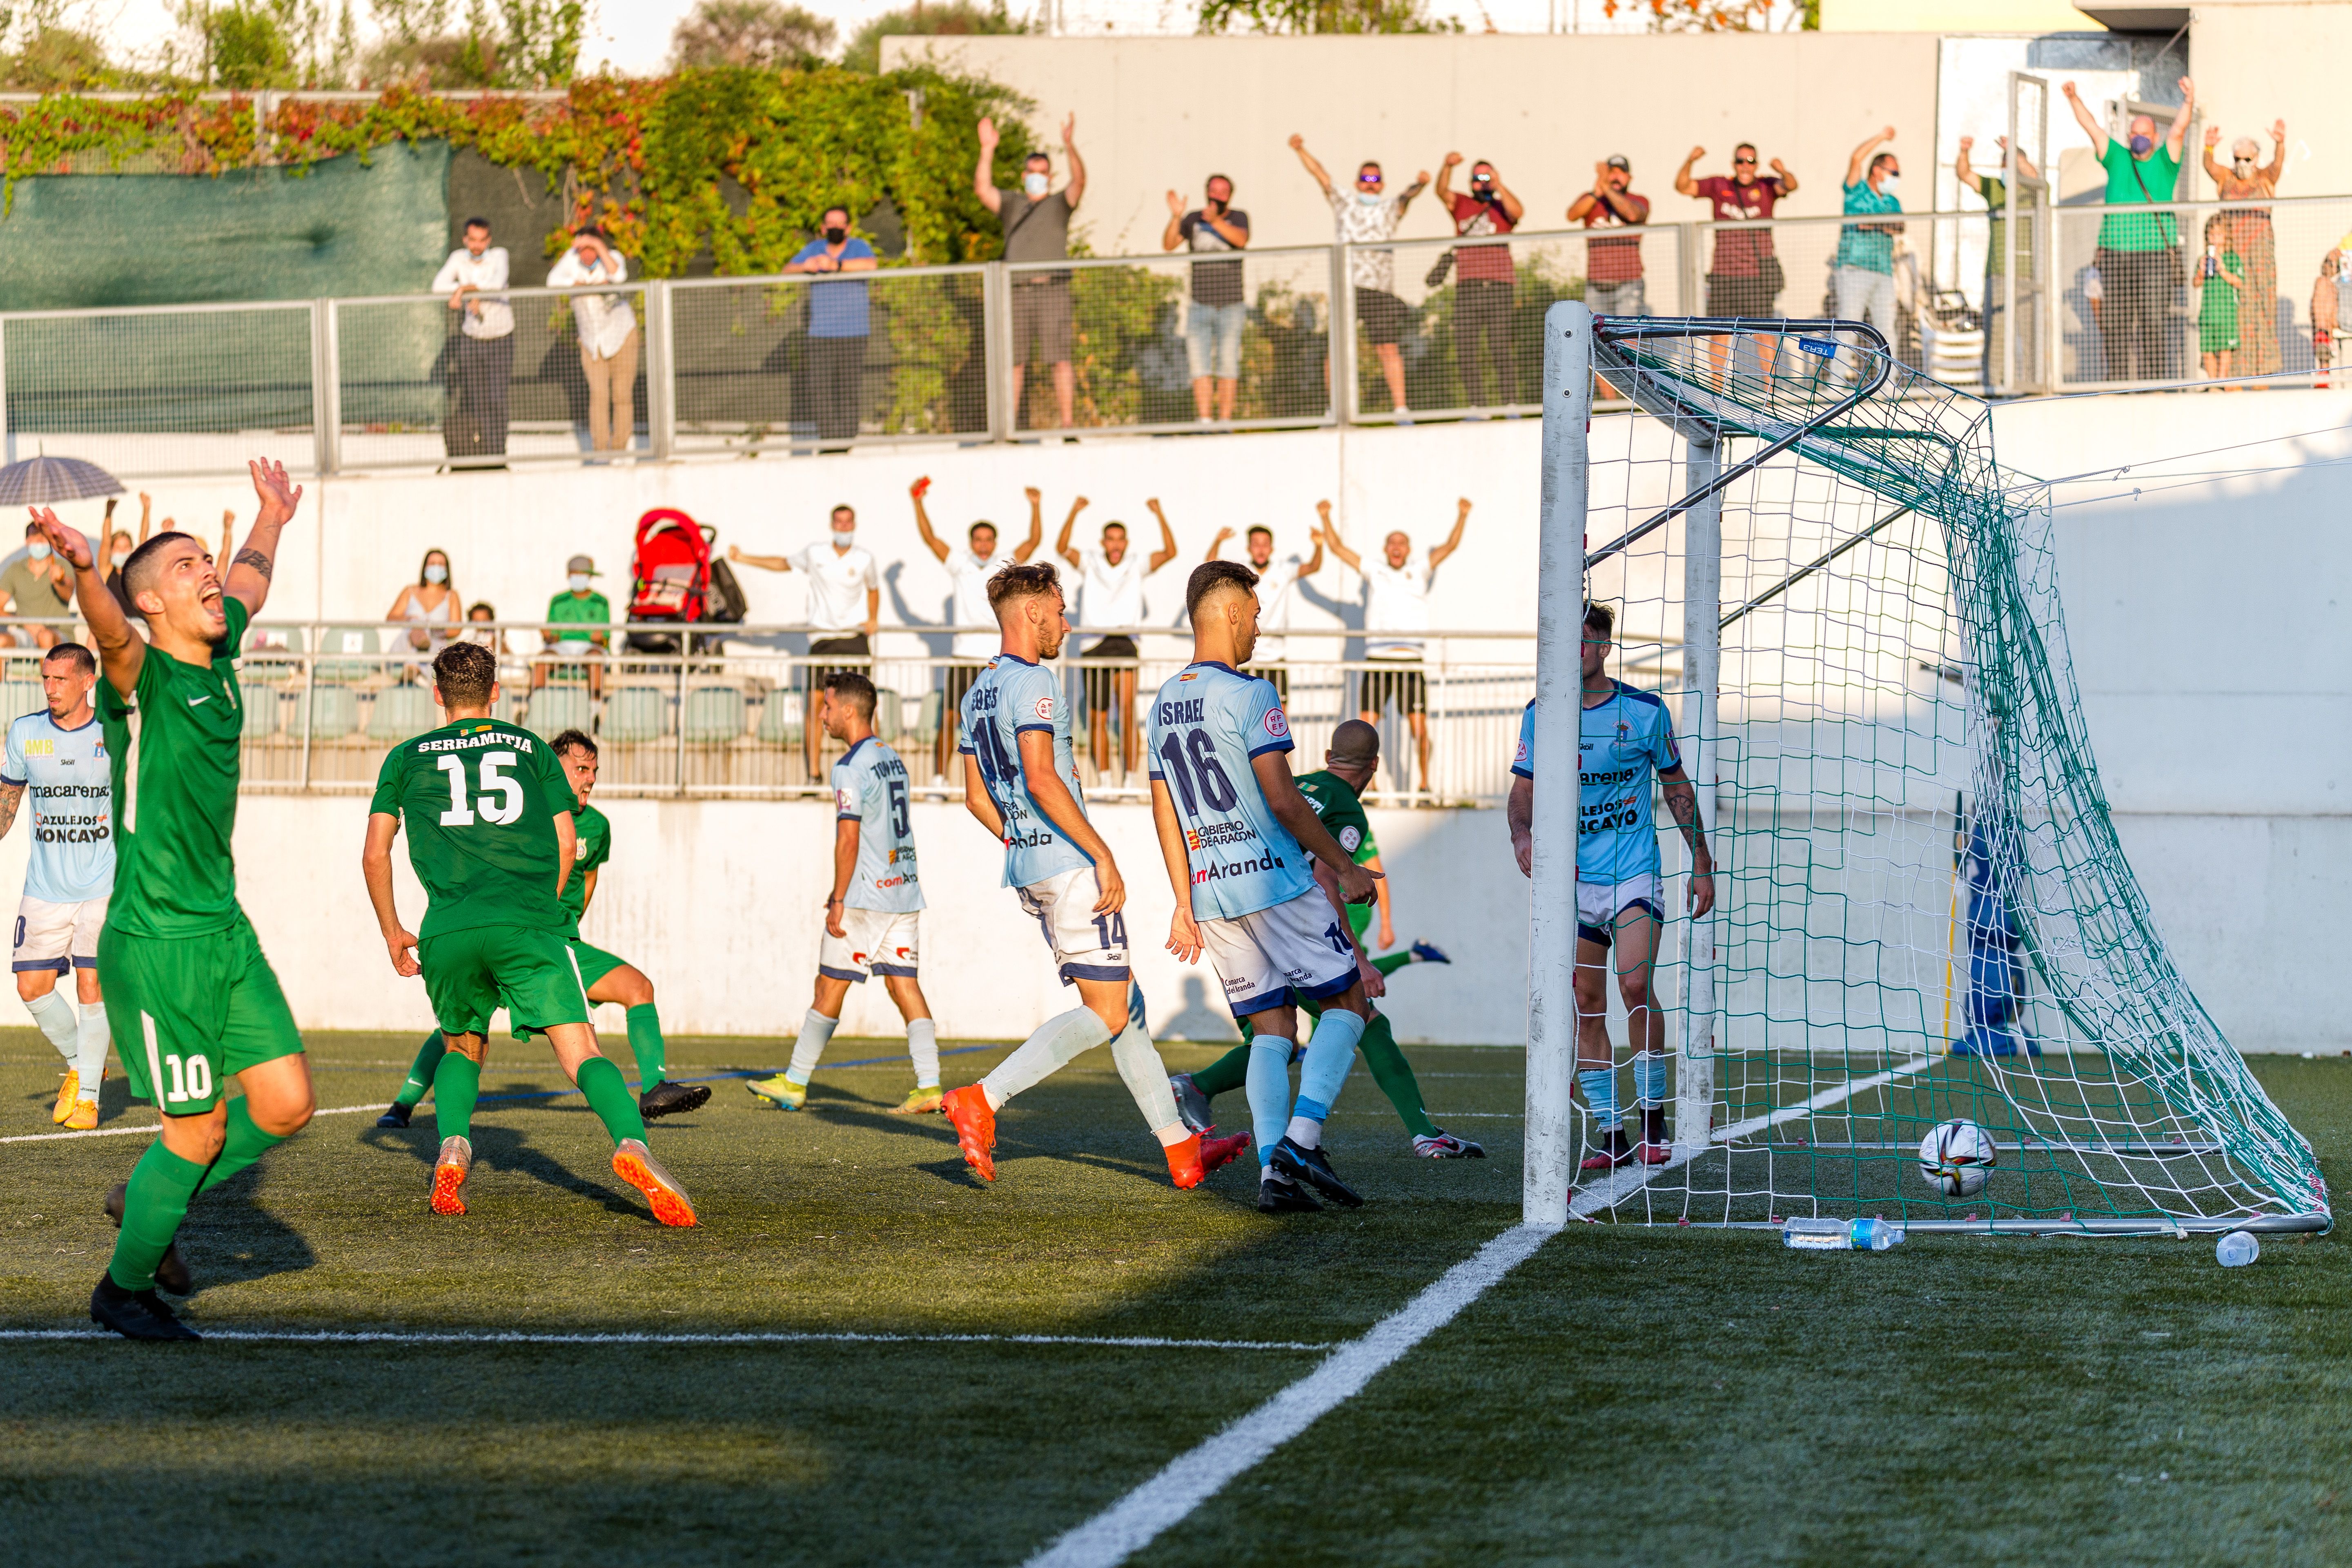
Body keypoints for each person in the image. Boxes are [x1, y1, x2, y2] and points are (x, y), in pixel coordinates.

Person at [35, 457, 314, 1341]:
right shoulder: (144, 673)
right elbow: (112, 634)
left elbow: (249, 583)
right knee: (194, 1134)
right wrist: (86, 568)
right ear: (153, 603)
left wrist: (271, 516)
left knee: (284, 1106)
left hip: (223, 929)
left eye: (207, 562)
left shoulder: (220, 644)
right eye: (188, 567)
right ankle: (123, 1292)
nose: (211, 573)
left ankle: (151, 1191)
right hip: (154, 941)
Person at [363, 645, 696, 1226]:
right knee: (581, 1052)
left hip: (447, 927)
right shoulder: (530, 748)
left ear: (437, 695)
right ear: (498, 693)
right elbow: (568, 844)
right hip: (528, 923)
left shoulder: (403, 758)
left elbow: (374, 854)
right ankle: (632, 1145)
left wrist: (393, 932)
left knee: (462, 1045)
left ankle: (452, 1149)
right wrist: (545, 910)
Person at [939, 561, 1245, 1190]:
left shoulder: (975, 692)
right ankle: (983, 1099)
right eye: (1059, 609)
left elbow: (975, 798)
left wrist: (1022, 835)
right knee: (1108, 1013)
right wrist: (1099, 853)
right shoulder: (1034, 681)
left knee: (1125, 1006)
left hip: (1029, 866)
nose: (1066, 622)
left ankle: (1181, 1149)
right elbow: (1041, 775)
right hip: (1070, 865)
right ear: (1032, 612)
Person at [1147, 559, 1382, 1213]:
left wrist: (1182, 899)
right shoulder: (1252, 696)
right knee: (1349, 1006)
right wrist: (1344, 866)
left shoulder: (1164, 702)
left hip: (1214, 894)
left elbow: (1164, 809)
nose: (1258, 624)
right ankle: (1299, 1143)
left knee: (1273, 1029)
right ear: (1227, 613)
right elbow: (1282, 799)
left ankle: (1272, 1176)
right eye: (1253, 612)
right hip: (1275, 882)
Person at [373, 724, 710, 1130]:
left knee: (637, 989)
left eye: (594, 770)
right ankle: (404, 1103)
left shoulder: (598, 827)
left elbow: (586, 883)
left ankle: (654, 1087)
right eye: (581, 768)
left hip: (552, 941)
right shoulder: (529, 813)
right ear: (552, 765)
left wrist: (563, 929)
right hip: (527, 935)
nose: (589, 778)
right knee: (470, 1033)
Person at [1167, 720, 1472, 1161]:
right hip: (1289, 921)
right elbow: (1327, 876)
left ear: (1329, 758)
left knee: (1277, 1038)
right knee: (1362, 1017)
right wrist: (1359, 959)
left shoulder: (1292, 783)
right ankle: (1401, 1134)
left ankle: (1217, 1105)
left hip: (1231, 905)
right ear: (1375, 766)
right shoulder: (1347, 806)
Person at [1511, 602, 1715, 1170]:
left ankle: (1654, 1120)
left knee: (1633, 984)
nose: (1569, 653)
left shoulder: (1645, 711)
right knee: (1584, 1001)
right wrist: (1521, 834)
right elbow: (1523, 789)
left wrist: (1700, 860)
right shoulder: (1542, 713)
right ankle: (1612, 1133)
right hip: (1573, 882)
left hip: (1633, 874)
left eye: (1580, 642)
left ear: (1603, 645)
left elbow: (1677, 785)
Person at [747, 672, 941, 1114]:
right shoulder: (892, 757)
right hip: (905, 892)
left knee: (829, 985)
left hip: (865, 898)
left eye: (828, 707)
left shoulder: (849, 767)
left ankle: (794, 1082)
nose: (822, 715)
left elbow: (849, 839)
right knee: (904, 985)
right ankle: (930, 1084)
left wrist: (838, 898)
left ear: (849, 711)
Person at [0, 641, 113, 1131]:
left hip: (102, 883)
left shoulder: (114, 733)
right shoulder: (26, 733)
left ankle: (88, 1098)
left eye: (61, 680)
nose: (50, 688)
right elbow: (7, 802)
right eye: (45, 679)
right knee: (32, 987)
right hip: (44, 885)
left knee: (92, 983)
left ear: (88, 681)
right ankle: (83, 1060)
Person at [1314, 499, 1472, 797]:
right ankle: (1366, 787)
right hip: (1377, 661)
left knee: (1420, 730)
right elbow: (1338, 549)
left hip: (1410, 661)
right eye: (1392, 544)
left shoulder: (1420, 570)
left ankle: (1424, 785)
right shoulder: (1374, 571)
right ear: (1386, 549)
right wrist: (1325, 517)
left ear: (1408, 550)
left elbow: (1449, 547)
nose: (1396, 548)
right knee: (1364, 729)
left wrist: (1462, 515)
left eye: (1401, 544)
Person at [728, 504, 880, 781]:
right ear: (832, 525)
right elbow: (782, 563)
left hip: (854, 639)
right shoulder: (815, 553)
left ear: (854, 525)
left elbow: (873, 588)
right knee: (818, 706)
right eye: (839, 522)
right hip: (823, 640)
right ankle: (814, 774)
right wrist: (743, 558)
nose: (844, 527)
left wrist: (873, 618)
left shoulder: (865, 559)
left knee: (865, 704)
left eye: (848, 523)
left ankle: (875, 768)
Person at [2063, 76, 2195, 384]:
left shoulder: (2166, 161)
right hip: (2115, 254)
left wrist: (2188, 100)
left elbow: (2179, 130)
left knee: (2153, 320)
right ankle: (2118, 381)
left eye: (2144, 134)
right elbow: (2092, 127)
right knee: (2116, 321)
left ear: (2155, 137)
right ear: (2128, 135)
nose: (2139, 138)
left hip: (2155, 255)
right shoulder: (2117, 158)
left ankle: (2154, 382)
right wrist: (2073, 98)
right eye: (2134, 133)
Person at [910, 475, 1042, 782]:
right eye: (978, 540)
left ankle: (1000, 779)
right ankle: (938, 779)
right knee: (949, 718)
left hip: (995, 660)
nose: (983, 546)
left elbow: (1033, 542)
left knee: (998, 721)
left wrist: (1036, 507)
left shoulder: (1004, 564)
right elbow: (931, 539)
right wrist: (917, 501)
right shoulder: (960, 563)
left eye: (988, 540)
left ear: (995, 543)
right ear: (971, 542)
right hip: (963, 657)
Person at [1290, 134, 1428, 421]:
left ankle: (1401, 409)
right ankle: (1334, 409)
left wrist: (1421, 185)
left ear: (1382, 184)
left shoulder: (1388, 209)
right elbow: (1321, 176)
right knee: (1336, 350)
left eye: (1375, 179)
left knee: (1387, 348)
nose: (1370, 183)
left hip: (1380, 289)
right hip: (1348, 287)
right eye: (1365, 178)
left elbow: (1407, 196)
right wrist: (1301, 149)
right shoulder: (1346, 203)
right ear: (1357, 183)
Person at [1055, 494, 1178, 778]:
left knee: (1126, 711)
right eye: (1110, 539)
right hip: (1093, 644)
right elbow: (1062, 548)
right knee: (1098, 715)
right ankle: (1107, 779)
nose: (1115, 544)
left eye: (1120, 539)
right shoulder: (1090, 561)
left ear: (1126, 543)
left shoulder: (1136, 564)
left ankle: (1131, 779)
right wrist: (1074, 511)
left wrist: (1159, 513)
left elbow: (1170, 552)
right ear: (1103, 542)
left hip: (1125, 642)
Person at [977, 113, 1086, 432]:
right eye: (1032, 172)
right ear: (1024, 175)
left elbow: (1080, 183)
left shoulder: (1059, 204)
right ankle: (1009, 427)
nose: (1037, 177)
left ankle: (1068, 425)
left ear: (1050, 176)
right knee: (1014, 361)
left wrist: (1069, 145)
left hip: (1053, 289)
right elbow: (983, 190)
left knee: (1060, 359)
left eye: (1043, 172)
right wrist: (987, 149)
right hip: (1017, 291)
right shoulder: (1012, 203)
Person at [1675, 142, 1797, 378]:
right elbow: (1683, 186)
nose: (1745, 166)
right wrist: (1690, 160)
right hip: (1724, 273)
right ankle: (1717, 388)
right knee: (1721, 333)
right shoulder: (1720, 184)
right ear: (1734, 164)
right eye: (1741, 161)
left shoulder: (1766, 186)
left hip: (1757, 276)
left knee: (1764, 333)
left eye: (1750, 161)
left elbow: (1791, 185)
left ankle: (1768, 392)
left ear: (1756, 165)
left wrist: (1782, 170)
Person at [1434, 152, 1523, 410]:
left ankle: (1510, 404)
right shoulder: (1462, 204)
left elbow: (1518, 212)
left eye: (1486, 177)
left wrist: (1499, 186)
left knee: (1499, 345)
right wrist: (1447, 166)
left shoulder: (1501, 207)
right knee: (1466, 347)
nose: (1482, 182)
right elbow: (1441, 191)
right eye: (1478, 178)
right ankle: (1477, 406)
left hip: (1500, 285)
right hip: (1468, 285)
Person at [1953, 135, 2043, 390]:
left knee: (2029, 332)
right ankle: (1993, 385)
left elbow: (2035, 176)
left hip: (2028, 275)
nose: (2006, 170)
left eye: (2011, 165)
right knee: (1996, 332)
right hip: (1998, 272)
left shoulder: (2033, 191)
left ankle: (2029, 385)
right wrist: (1964, 152)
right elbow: (1965, 174)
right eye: (2003, 165)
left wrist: (2014, 151)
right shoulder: (1994, 187)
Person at [786, 205, 878, 451]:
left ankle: (846, 444)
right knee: (821, 391)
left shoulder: (859, 247)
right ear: (823, 228)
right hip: (821, 334)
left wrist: (836, 266)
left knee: (848, 389)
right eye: (830, 224)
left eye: (840, 224)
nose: (834, 228)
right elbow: (788, 269)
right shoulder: (814, 249)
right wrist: (806, 266)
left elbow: (871, 266)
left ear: (848, 228)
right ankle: (830, 444)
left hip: (854, 333)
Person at [1203, 514, 1322, 702]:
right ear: (1249, 548)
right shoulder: (1241, 572)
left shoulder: (1283, 570)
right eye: (1256, 544)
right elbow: (1211, 565)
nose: (1261, 549)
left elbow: (1313, 567)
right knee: (1244, 712)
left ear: (1272, 548)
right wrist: (1218, 541)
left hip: (1275, 657)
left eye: (1265, 544)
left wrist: (1319, 545)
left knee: (1280, 713)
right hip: (1246, 656)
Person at [1161, 176, 1252, 423]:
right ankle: (1205, 422)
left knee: (1228, 363)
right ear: (1206, 192)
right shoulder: (1193, 219)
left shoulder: (1239, 217)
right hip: (1200, 303)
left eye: (1223, 191)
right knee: (1199, 365)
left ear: (1230, 195)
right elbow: (1169, 245)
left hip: (1231, 304)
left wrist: (1216, 222)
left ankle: (1224, 423)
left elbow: (1241, 241)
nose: (1217, 195)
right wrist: (1177, 216)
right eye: (1213, 190)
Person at [2203, 119, 2287, 380]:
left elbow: (2277, 165)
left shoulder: (2265, 179)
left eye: (2247, 159)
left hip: (2260, 260)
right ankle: (2229, 379)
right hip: (2232, 259)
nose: (2243, 164)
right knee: (2232, 315)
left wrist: (2280, 143)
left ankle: (2262, 377)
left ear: (2256, 158)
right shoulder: (2227, 179)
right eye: (2238, 158)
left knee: (2262, 314)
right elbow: (2210, 167)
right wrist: (2208, 148)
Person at [547, 227, 638, 455]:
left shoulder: (612, 257)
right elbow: (552, 282)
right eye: (582, 248)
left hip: (621, 335)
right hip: (591, 341)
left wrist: (599, 247)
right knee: (598, 395)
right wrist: (579, 281)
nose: (586, 253)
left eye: (591, 247)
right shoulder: (572, 260)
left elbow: (618, 277)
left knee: (622, 395)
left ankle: (619, 449)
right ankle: (601, 452)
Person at [432, 216, 515, 463]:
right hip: (472, 337)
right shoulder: (458, 258)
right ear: (465, 240)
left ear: (489, 240)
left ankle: (498, 455)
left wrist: (464, 290)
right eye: (472, 240)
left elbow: (496, 283)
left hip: (500, 336)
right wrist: (469, 290)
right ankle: (483, 455)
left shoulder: (500, 255)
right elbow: (439, 286)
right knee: (477, 399)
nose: (477, 246)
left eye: (482, 240)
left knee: (497, 398)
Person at [1833, 127, 1904, 377]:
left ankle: (1889, 386)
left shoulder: (1892, 202)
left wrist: (1873, 223)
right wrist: (1881, 138)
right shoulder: (1857, 190)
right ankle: (1836, 384)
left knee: (1887, 329)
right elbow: (1856, 158)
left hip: (1883, 270)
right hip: (1855, 267)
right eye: (1894, 172)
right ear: (1878, 170)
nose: (1897, 177)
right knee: (1848, 326)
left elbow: (1899, 226)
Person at [1567, 156, 1652, 320]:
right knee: (1597, 338)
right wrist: (1597, 192)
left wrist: (1606, 187)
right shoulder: (1592, 200)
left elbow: (1633, 215)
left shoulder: (1639, 201)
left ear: (1630, 178)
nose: (1616, 177)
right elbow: (1572, 215)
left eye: (1621, 173)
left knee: (1628, 337)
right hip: (1596, 286)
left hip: (1629, 283)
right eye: (1612, 172)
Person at [539, 553, 609, 699]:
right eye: (575, 574)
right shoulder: (558, 601)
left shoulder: (601, 602)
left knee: (595, 660)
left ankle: (595, 711)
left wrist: (599, 639)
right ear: (568, 575)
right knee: (542, 661)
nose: (578, 577)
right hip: (562, 647)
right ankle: (532, 707)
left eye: (582, 574)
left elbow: (604, 638)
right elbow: (554, 637)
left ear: (590, 577)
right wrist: (549, 637)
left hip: (590, 648)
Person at [0, 518, 73, 650]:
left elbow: (67, 595)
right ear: (27, 542)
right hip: (26, 633)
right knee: (1, 641)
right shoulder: (15, 569)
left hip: (59, 633)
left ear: (51, 540)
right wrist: (25, 623)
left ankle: (47, 672)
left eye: (43, 534)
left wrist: (59, 581)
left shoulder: (62, 566)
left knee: (45, 637)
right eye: (34, 534)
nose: (39, 539)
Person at [387, 547, 461, 672]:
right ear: (425, 567)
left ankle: (414, 669)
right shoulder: (410, 591)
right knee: (416, 627)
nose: (436, 567)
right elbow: (391, 618)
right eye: (433, 564)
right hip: (407, 643)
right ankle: (415, 668)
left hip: (434, 643)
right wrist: (410, 620)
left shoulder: (451, 596)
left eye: (441, 564)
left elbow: (456, 628)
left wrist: (434, 630)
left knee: (426, 633)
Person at [2197, 214, 2246, 385]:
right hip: (2208, 314)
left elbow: (2240, 282)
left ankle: (2222, 383)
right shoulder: (2203, 259)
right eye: (2212, 235)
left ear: (2226, 236)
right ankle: (2213, 385)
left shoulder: (2233, 258)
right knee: (2207, 351)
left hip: (2226, 315)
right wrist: (2201, 272)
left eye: (2219, 235)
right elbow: (2195, 283)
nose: (2215, 239)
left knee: (2225, 350)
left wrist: (2223, 270)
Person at [2314, 250, 2340, 388]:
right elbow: (2321, 307)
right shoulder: (2324, 283)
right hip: (2327, 324)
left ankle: (2325, 380)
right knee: (2322, 283)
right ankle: (2323, 381)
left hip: (2329, 323)